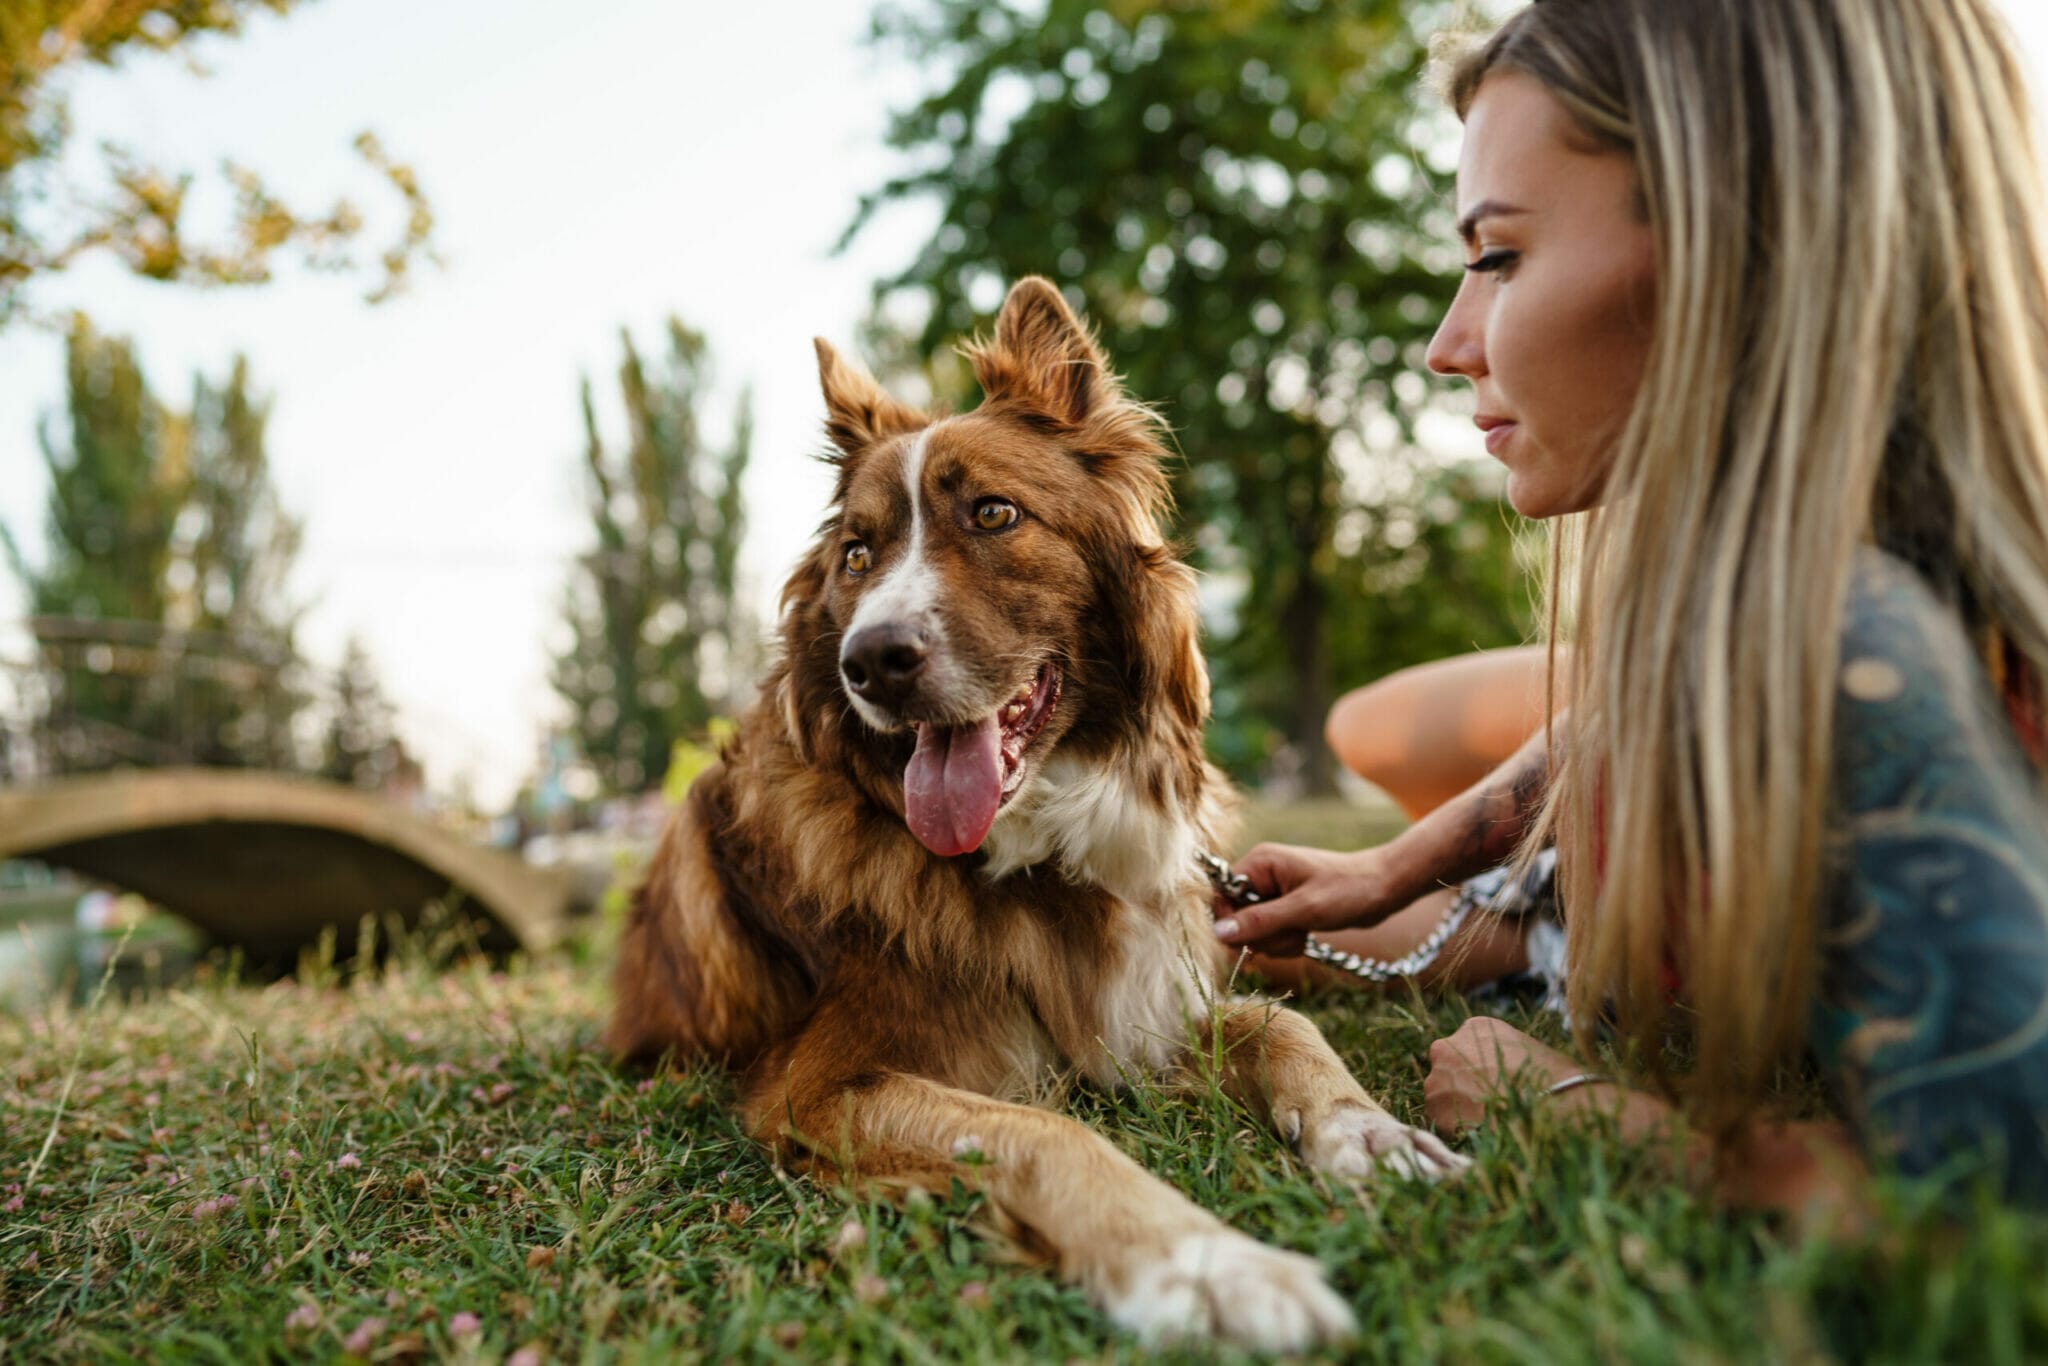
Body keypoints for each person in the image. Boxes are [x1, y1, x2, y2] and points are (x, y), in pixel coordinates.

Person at [1212, 0, 2048, 1219]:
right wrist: (1386, 866)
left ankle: (1525, 926)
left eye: (1496, 256)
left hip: (1638, 905)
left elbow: (1998, 1224)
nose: (1448, 345)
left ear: (1743, 246)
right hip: (1614, 886)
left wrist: (1573, 1108)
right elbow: (1625, 714)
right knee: (1372, 736)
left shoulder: (1862, 656)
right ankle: (1528, 916)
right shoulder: (1750, 632)